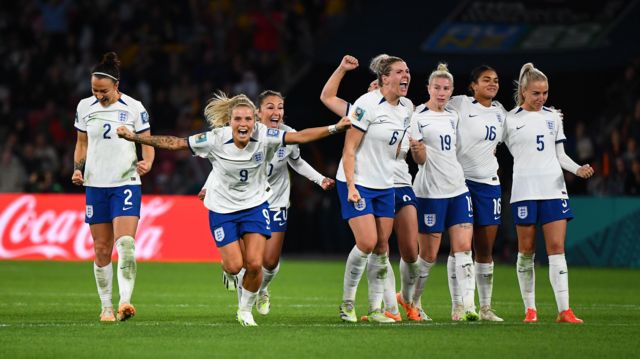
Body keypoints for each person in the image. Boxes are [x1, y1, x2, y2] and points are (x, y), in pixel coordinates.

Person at [116, 92, 350, 326]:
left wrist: (334, 128)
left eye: (248, 119)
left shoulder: (266, 135)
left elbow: (300, 137)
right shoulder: (215, 138)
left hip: (255, 206)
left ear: (254, 121)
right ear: (230, 122)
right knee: (235, 266)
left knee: (256, 264)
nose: (244, 124)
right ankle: (228, 272)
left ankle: (244, 310)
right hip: (222, 209)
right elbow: (176, 143)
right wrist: (135, 138)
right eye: (238, 119)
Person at [320, 55, 425, 321]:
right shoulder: (366, 104)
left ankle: (378, 310)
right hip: (358, 182)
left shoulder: (407, 107)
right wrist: (352, 186)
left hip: (385, 184)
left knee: (381, 247)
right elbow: (349, 148)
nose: (406, 75)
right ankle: (346, 304)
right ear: (384, 78)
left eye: (408, 70)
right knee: (366, 242)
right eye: (400, 71)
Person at [505, 63, 594, 323]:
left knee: (556, 249)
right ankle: (530, 310)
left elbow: (560, 155)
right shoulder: (510, 120)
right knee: (526, 251)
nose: (541, 98)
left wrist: (578, 169)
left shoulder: (553, 117)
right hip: (524, 191)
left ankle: (564, 310)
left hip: (554, 189)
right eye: (536, 93)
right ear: (523, 91)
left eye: (545, 93)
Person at [72, 52, 155, 322]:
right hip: (96, 183)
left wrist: (148, 162)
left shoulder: (134, 107)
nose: (99, 95)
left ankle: (125, 302)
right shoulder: (85, 107)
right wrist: (78, 168)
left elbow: (146, 139)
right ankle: (106, 307)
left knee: (127, 244)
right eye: (94, 90)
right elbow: (82, 143)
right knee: (101, 249)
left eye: (104, 91)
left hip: (125, 182)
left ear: (116, 85)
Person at [409, 63, 479, 321]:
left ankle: (466, 307)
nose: (441, 92)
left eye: (446, 88)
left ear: (452, 90)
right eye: (436, 87)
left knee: (463, 250)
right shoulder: (417, 115)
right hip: (429, 192)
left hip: (458, 189)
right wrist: (418, 152)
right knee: (427, 257)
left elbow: (457, 149)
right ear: (428, 88)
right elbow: (419, 160)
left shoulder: (454, 116)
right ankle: (413, 302)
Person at [444, 65, 506, 321]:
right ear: (473, 85)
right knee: (460, 248)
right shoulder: (459, 104)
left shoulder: (501, 112)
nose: (492, 83)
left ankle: (485, 308)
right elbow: (430, 108)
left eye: (496, 80)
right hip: (461, 183)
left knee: (485, 249)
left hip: (489, 184)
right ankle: (459, 305)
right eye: (486, 80)